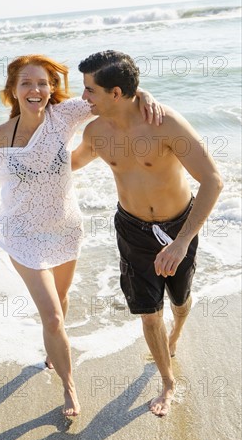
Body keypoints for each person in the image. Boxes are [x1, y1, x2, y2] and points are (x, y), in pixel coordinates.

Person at [0, 54, 163, 417]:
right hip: (23, 234)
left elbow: (111, 96)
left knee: (62, 301)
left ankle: (53, 351)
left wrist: (144, 93)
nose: (35, 89)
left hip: (66, 227)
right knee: (53, 317)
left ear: (52, 88)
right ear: (13, 90)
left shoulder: (65, 115)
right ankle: (69, 388)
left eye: (43, 83)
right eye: (26, 83)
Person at [72, 50, 223, 417]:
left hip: (178, 227)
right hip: (132, 229)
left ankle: (177, 332)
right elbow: (70, 164)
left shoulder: (165, 124)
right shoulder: (95, 131)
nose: (83, 98)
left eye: (90, 90)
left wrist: (182, 241)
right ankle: (168, 383)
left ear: (117, 94)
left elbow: (213, 181)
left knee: (180, 301)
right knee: (149, 313)